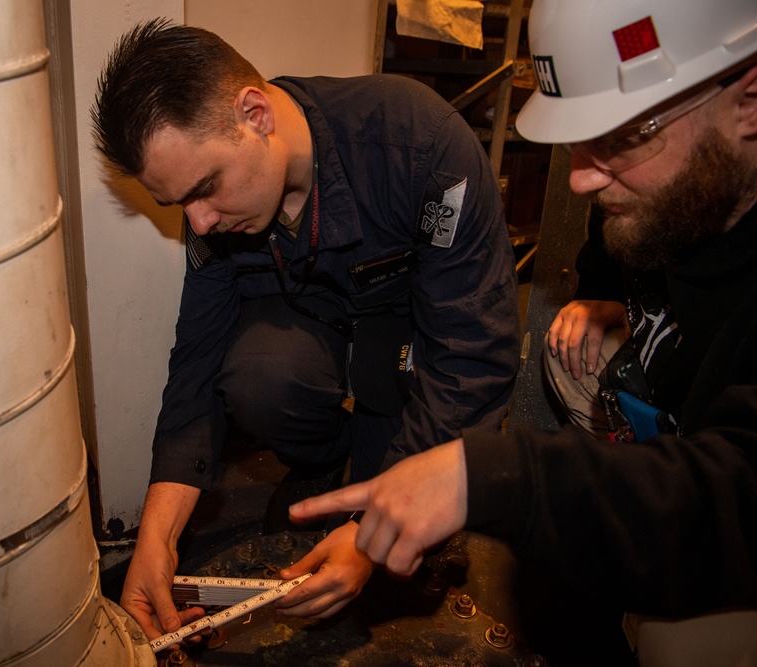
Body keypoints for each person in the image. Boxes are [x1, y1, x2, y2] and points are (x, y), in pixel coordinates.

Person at [293, 0, 757, 664]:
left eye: (623, 137)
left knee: (688, 643)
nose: (579, 177)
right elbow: (611, 250)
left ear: (753, 100)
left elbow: (741, 494)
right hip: (689, 400)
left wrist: (492, 476)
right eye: (580, 138)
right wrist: (602, 298)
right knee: (571, 350)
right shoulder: (687, 186)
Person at [90, 19, 520, 643]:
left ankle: (371, 474)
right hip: (318, 333)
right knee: (259, 373)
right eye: (180, 204)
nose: (201, 223)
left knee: (396, 562)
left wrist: (373, 534)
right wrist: (157, 538)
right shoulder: (214, 209)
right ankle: (327, 464)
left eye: (206, 189)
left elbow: (474, 355)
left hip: (409, 339)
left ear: (255, 114)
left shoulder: (421, 147)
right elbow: (197, 362)